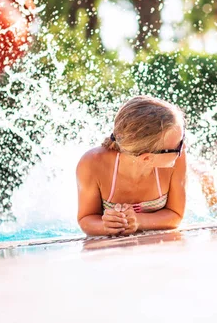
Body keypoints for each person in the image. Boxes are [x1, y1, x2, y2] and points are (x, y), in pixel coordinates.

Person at [76, 96, 186, 236]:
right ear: (147, 158)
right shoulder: (92, 163)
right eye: (179, 145)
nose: (183, 147)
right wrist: (106, 226)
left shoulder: (178, 160)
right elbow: (86, 218)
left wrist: (138, 221)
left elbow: (175, 215)